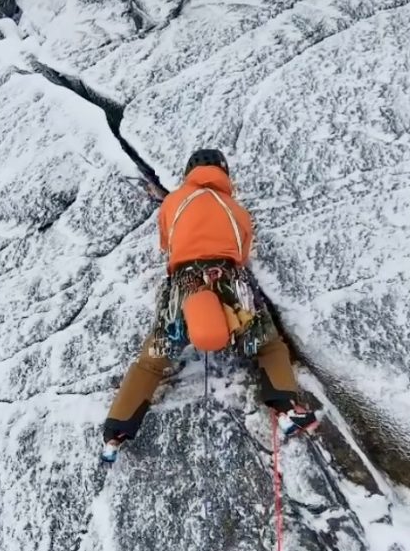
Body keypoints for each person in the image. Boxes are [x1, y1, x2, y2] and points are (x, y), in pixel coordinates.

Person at [101, 149, 320, 462]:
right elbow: (242, 253)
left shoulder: (173, 202)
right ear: (224, 173)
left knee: (152, 361)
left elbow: (167, 243)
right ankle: (287, 408)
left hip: (185, 282)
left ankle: (117, 428)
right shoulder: (237, 210)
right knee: (268, 346)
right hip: (228, 278)